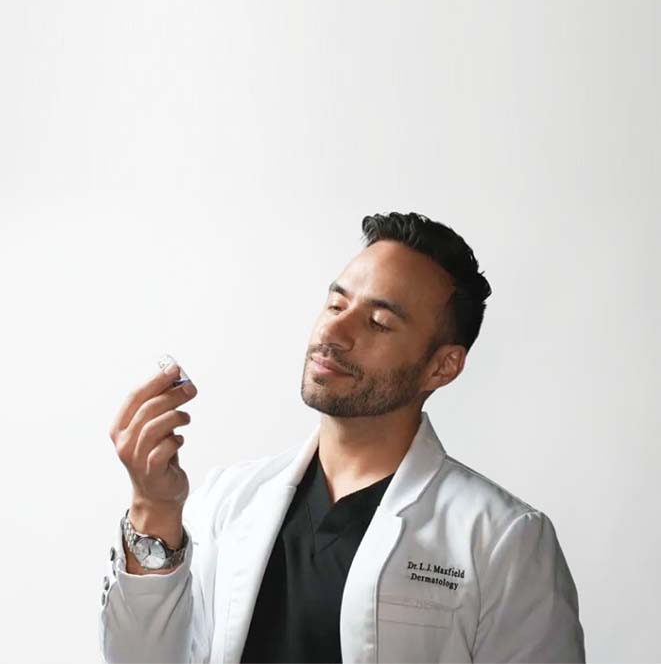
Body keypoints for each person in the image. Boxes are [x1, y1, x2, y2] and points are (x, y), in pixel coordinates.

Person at [99, 211, 586, 663]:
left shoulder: (503, 539)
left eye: (378, 322)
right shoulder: (228, 499)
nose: (334, 330)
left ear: (442, 366)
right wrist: (153, 506)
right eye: (335, 303)